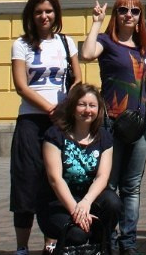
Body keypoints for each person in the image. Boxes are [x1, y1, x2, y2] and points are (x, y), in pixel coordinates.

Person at [11, 0, 81, 255]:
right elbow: (21, 85)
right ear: (32, 15)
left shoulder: (66, 43)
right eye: (39, 11)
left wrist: (65, 108)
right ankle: (21, 245)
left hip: (60, 124)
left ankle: (51, 241)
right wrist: (50, 107)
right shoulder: (21, 45)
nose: (44, 16)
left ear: (56, 14)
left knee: (56, 180)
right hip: (31, 120)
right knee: (26, 182)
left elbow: (76, 78)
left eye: (49, 11)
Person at [81, 0, 146, 255]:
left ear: (140, 17)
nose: (128, 15)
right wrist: (97, 22)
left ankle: (128, 242)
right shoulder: (106, 43)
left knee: (132, 188)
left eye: (134, 11)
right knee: (109, 186)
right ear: (116, 15)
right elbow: (87, 54)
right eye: (123, 10)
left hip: (139, 128)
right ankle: (106, 240)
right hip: (111, 125)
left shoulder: (144, 48)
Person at [38, 82, 124, 255]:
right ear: (72, 107)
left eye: (92, 105)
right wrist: (76, 210)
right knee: (77, 235)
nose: (87, 110)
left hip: (88, 198)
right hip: (58, 201)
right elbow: (55, 179)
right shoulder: (55, 135)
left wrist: (85, 203)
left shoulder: (104, 137)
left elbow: (102, 177)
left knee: (113, 203)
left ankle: (100, 247)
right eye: (82, 104)